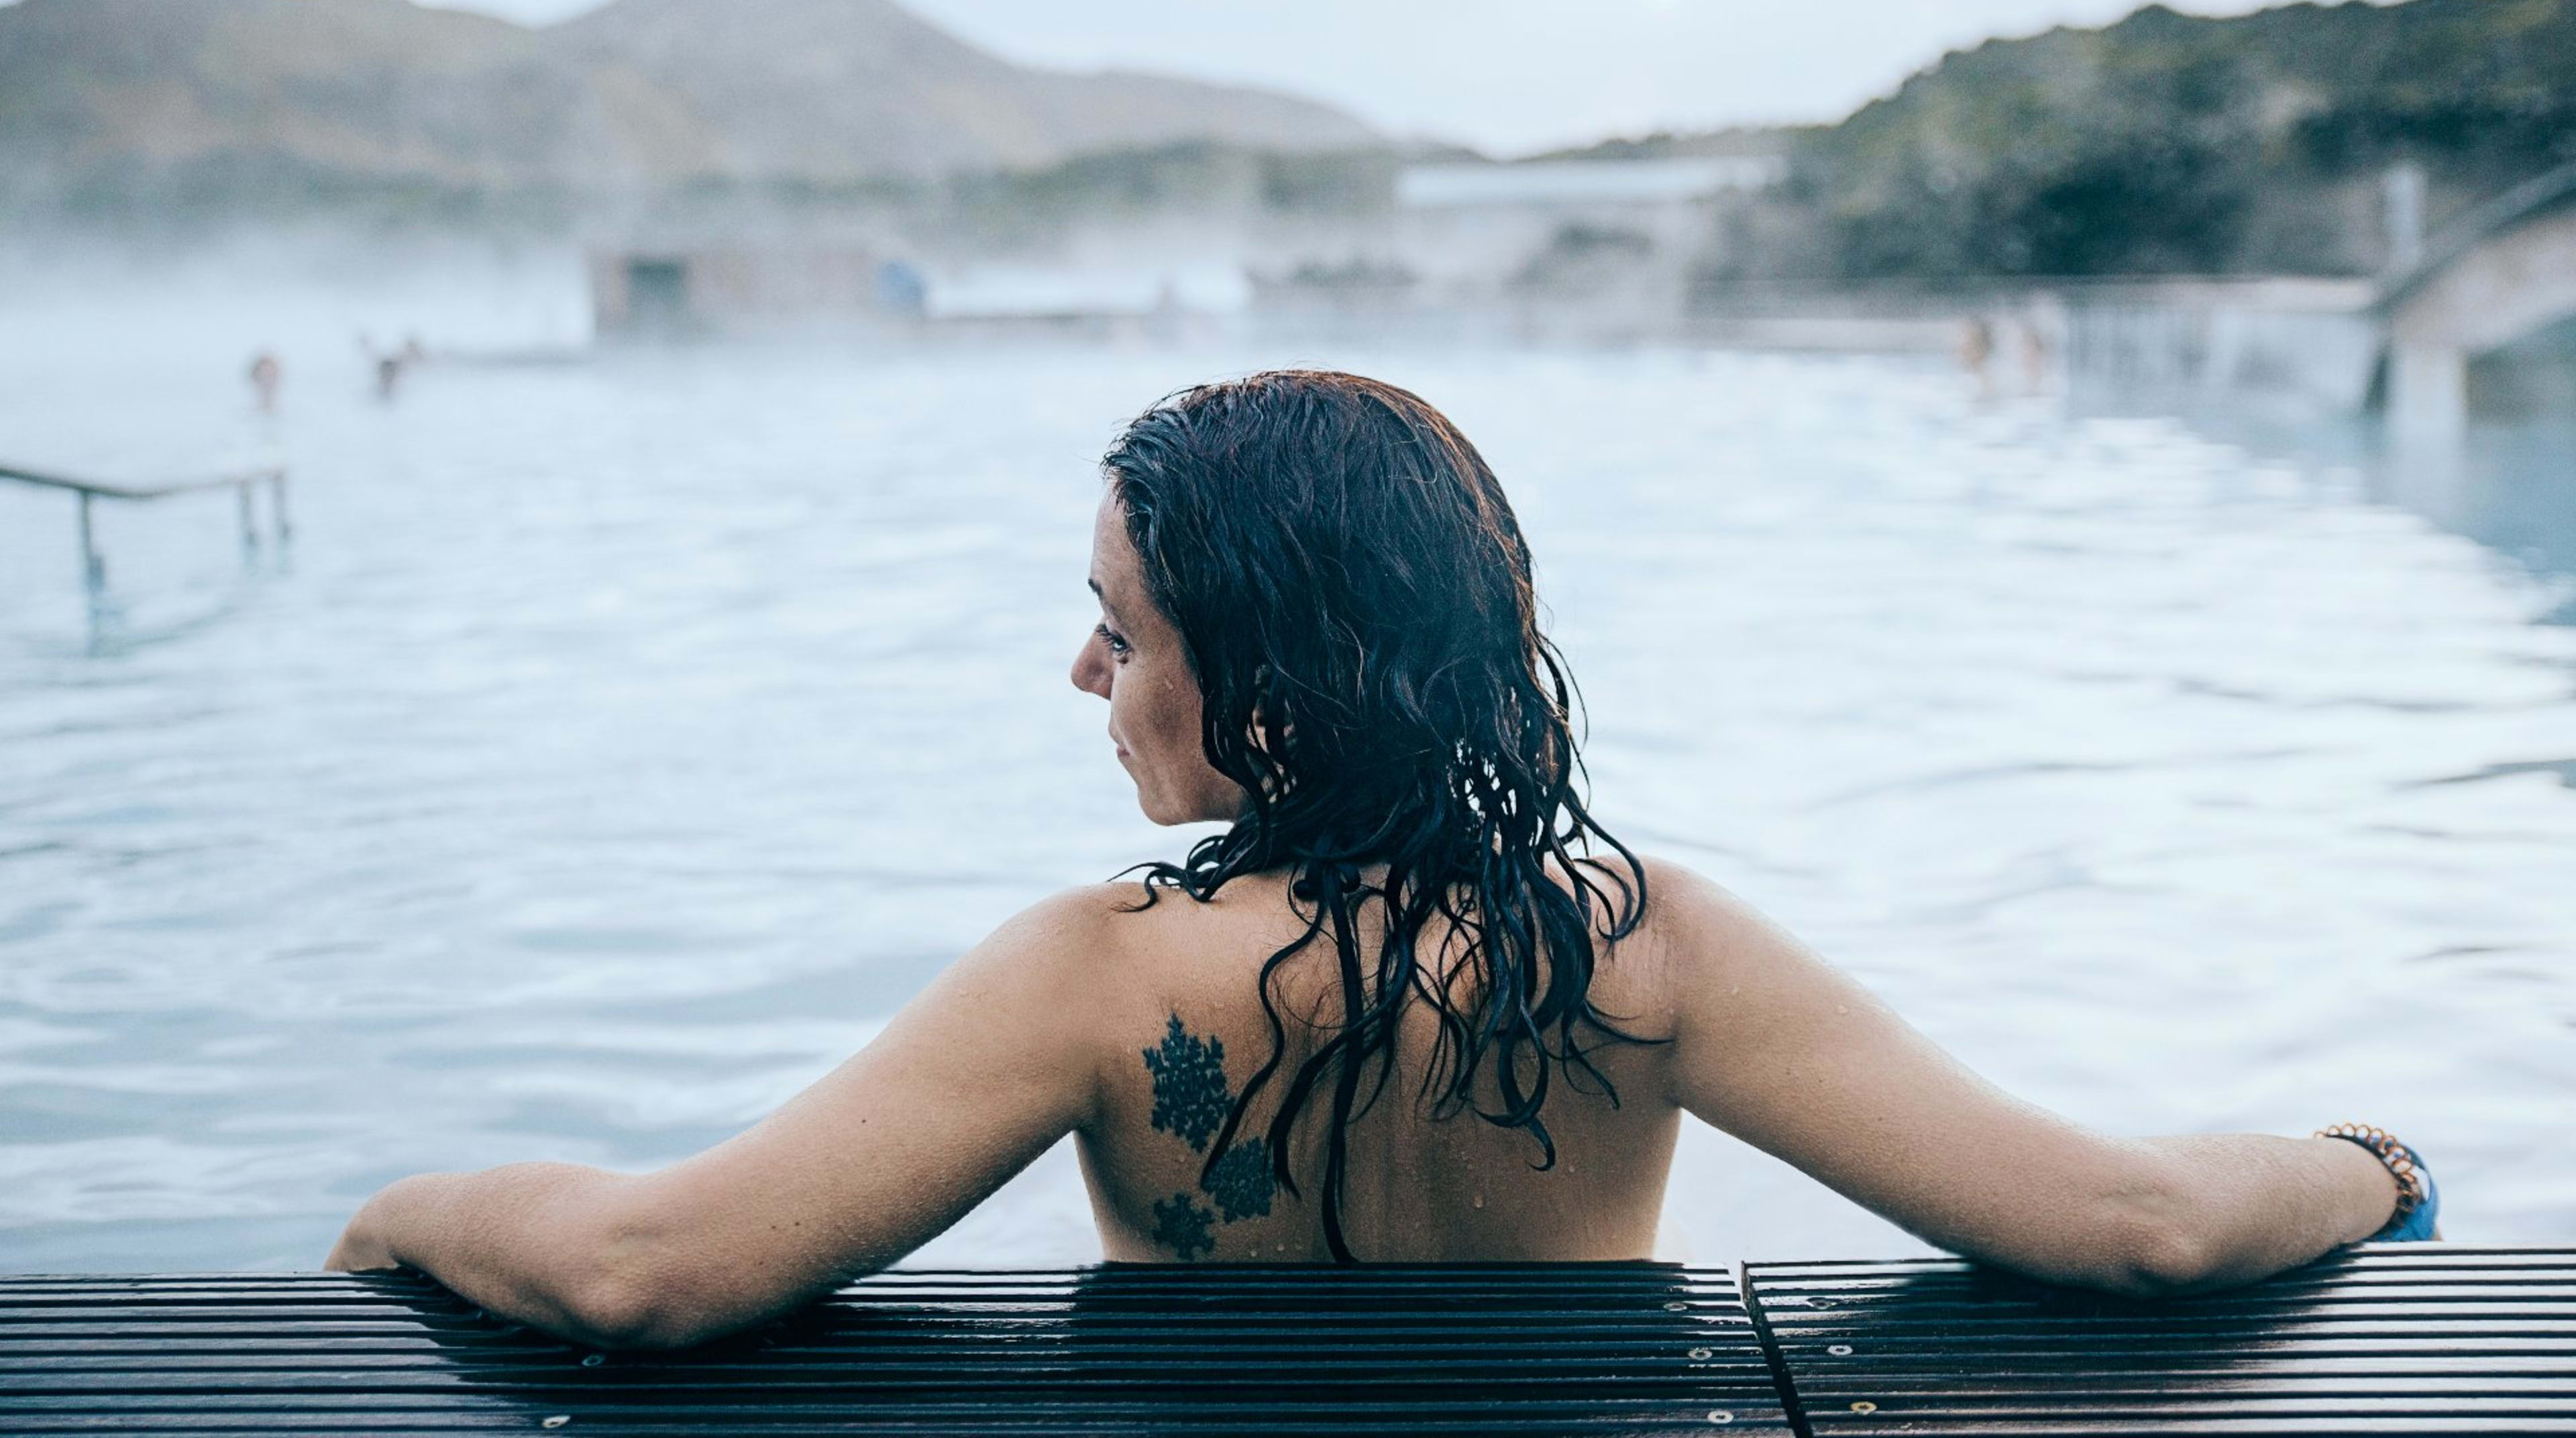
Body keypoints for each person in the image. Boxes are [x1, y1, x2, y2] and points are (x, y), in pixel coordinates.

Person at [326, 370, 2436, 1351]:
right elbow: (2141, 1228)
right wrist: (2366, 1162)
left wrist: (407, 1209)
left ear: (1262, 683)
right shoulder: (1648, 942)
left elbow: (643, 1273)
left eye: (1122, 626)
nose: (1083, 670)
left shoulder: (1088, 974)